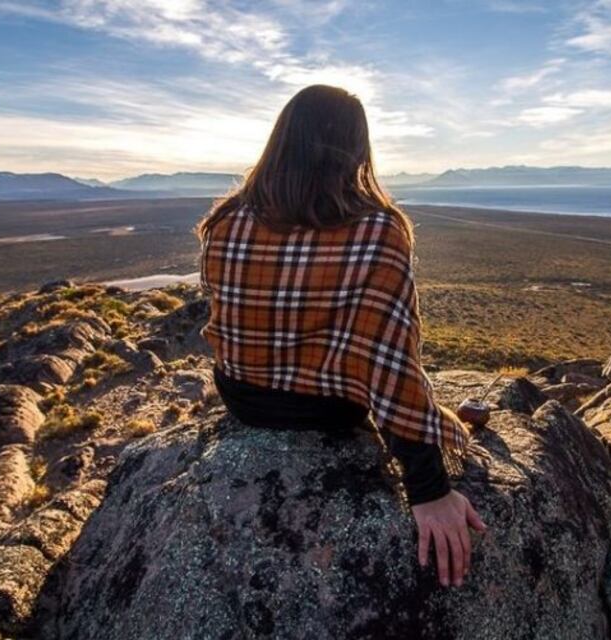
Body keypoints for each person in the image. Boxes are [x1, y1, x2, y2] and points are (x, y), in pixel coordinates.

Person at [195, 84, 486, 588]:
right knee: (409, 380)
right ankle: (458, 424)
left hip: (241, 398)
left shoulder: (224, 221)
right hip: (330, 409)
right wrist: (429, 488)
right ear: (355, 148)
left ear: (281, 140)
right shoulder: (378, 230)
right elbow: (391, 361)